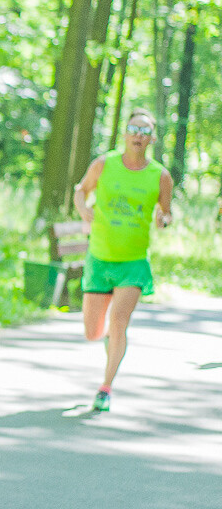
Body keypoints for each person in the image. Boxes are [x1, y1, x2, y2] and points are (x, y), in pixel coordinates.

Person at [73, 108, 172, 412]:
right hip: (100, 258)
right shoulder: (104, 164)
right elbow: (81, 190)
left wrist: (163, 218)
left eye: (144, 130)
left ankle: (106, 387)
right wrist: (83, 210)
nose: (138, 135)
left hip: (133, 261)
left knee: (119, 322)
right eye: (133, 128)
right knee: (93, 331)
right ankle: (108, 342)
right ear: (125, 133)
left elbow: (167, 212)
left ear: (152, 138)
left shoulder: (161, 176)